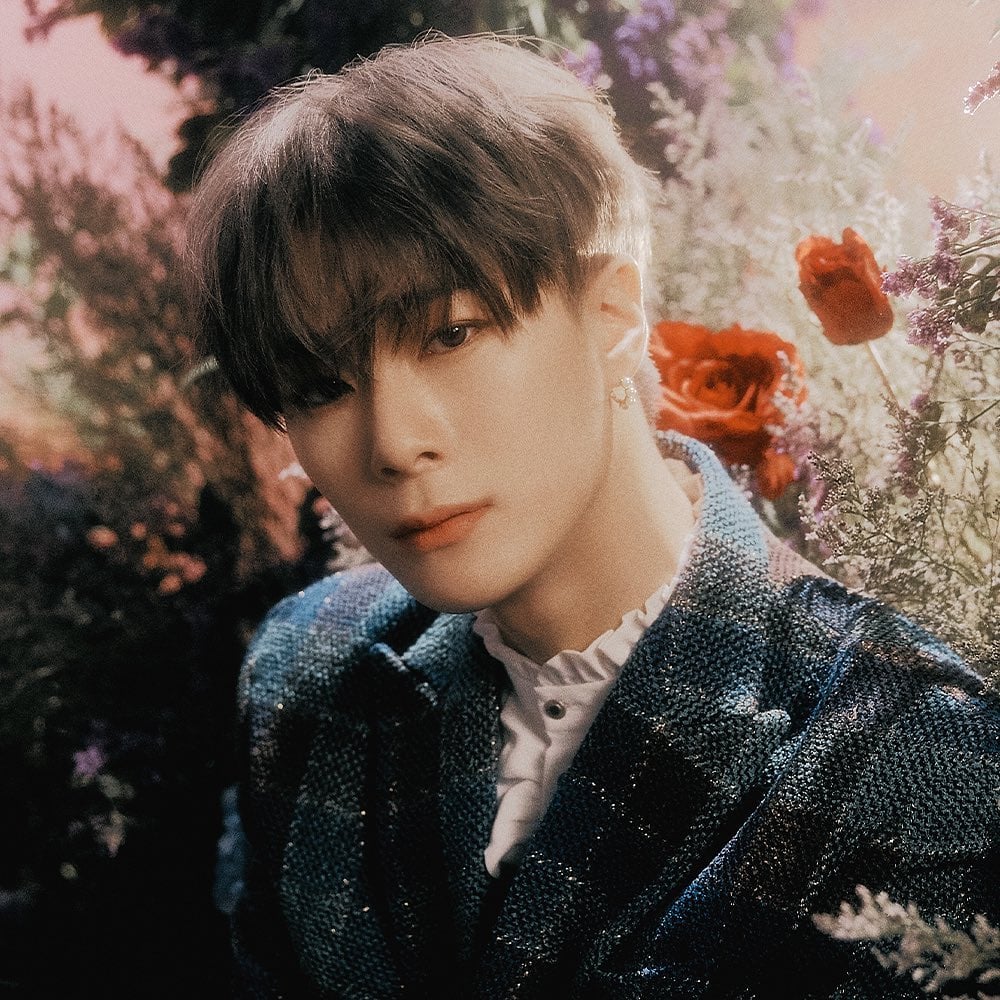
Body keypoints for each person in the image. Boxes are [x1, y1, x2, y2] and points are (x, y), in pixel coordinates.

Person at [186, 33, 999, 999]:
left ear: (613, 315)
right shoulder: (304, 672)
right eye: (320, 385)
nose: (393, 444)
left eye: (450, 333)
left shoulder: (920, 753)